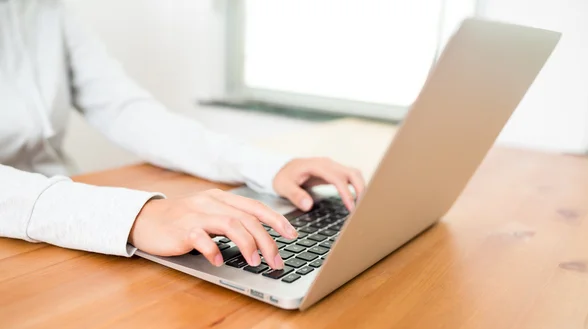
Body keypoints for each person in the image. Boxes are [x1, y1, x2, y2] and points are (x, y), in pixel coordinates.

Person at [0, 0, 365, 271]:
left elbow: (125, 109)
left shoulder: (47, 9)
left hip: (67, 228)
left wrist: (270, 166)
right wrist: (135, 216)